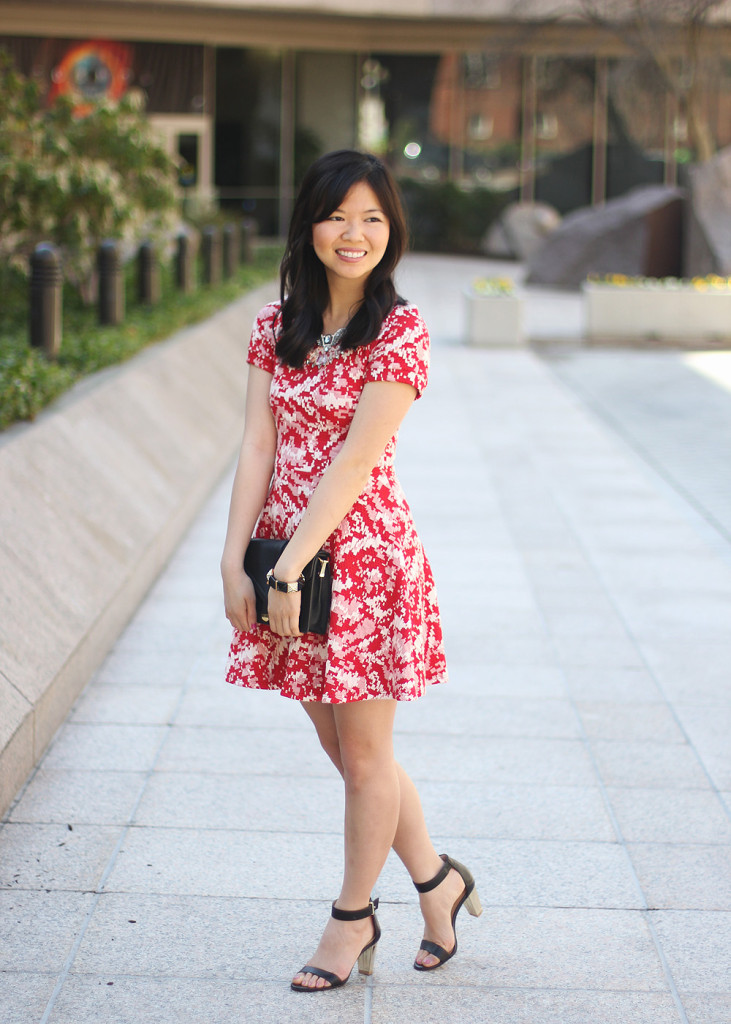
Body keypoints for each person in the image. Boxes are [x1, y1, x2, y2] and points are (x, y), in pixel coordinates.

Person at [221, 149, 481, 993]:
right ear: (310, 224)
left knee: (367, 759)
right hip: (281, 563)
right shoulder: (274, 323)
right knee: (347, 751)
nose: (354, 233)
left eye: (373, 218)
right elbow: (258, 444)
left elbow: (357, 463)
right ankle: (438, 881)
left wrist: (291, 565)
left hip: (362, 563)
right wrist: (236, 563)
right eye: (339, 216)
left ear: (390, 232)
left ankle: (350, 918)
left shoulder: (399, 330)